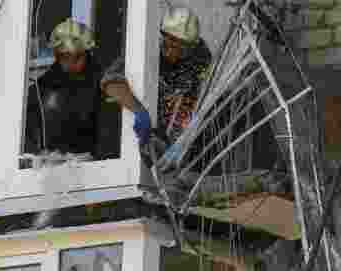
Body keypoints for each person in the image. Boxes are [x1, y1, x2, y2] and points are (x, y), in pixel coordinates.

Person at [101, 8, 212, 154]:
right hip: (142, 121)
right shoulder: (147, 47)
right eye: (170, 44)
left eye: (182, 48)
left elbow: (197, 98)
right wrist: (139, 111)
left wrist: (180, 139)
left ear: (191, 47)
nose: (174, 53)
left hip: (175, 122)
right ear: (162, 37)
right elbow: (110, 82)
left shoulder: (199, 58)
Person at [24, 19, 105, 158]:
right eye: (65, 56)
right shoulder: (40, 89)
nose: (71, 62)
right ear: (56, 54)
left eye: (78, 56)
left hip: (95, 169)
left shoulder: (102, 83)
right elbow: (25, 134)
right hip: (52, 169)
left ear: (86, 53)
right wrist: (39, 155)